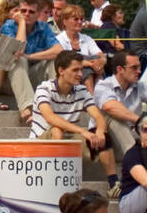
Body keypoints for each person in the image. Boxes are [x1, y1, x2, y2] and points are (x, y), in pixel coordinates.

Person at [31, 50, 112, 191]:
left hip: (70, 140)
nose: (80, 74)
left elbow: (98, 116)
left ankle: (113, 182)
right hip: (41, 142)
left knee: (103, 134)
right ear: (61, 70)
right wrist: (82, 131)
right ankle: (57, 179)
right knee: (57, 130)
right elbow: (50, 118)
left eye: (81, 70)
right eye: (75, 70)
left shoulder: (81, 90)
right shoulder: (44, 88)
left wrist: (100, 132)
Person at [0, 0, 62, 127]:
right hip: (8, 81)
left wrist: (31, 56)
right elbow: (19, 50)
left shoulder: (43, 27)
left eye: (31, 12)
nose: (26, 14)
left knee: (52, 61)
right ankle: (28, 109)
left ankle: (55, 104)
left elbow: (58, 50)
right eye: (23, 11)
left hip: (30, 77)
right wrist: (21, 23)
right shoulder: (9, 26)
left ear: (37, 13)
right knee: (19, 60)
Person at [94, 50, 147, 161]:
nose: (139, 71)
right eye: (134, 68)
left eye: (139, 67)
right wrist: (140, 121)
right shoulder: (103, 85)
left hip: (132, 133)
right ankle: (134, 161)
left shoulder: (140, 86)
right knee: (114, 116)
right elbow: (110, 107)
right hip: (104, 138)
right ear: (120, 69)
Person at [55, 4, 106, 90]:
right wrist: (90, 64)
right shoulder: (59, 40)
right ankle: (91, 97)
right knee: (84, 67)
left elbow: (101, 56)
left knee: (95, 59)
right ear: (65, 21)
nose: (79, 22)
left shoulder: (87, 39)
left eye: (81, 19)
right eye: (76, 19)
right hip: (69, 76)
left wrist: (100, 63)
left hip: (93, 74)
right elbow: (66, 62)